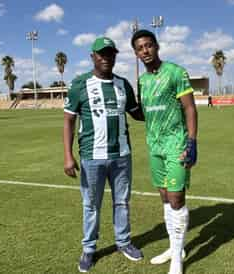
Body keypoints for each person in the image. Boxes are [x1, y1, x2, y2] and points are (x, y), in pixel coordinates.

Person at [63, 37, 144, 273]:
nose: (106, 58)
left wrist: (162, 107)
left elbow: (137, 113)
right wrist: (68, 156)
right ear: (93, 57)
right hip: (91, 157)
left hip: (122, 156)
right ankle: (89, 249)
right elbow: (68, 121)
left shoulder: (123, 84)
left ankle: (123, 242)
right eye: (102, 54)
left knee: (122, 202)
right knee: (91, 205)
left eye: (110, 54)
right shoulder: (80, 84)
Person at [131, 29, 198, 274]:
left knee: (176, 198)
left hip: (176, 145)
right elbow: (144, 112)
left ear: (157, 46)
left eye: (149, 45)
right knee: (164, 198)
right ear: (136, 53)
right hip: (154, 146)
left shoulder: (176, 72)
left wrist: (192, 142)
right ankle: (174, 247)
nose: (145, 51)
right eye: (140, 48)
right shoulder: (142, 80)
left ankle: (178, 262)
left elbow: (190, 108)